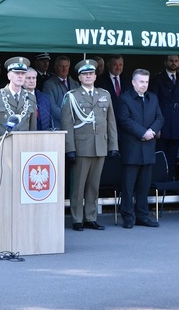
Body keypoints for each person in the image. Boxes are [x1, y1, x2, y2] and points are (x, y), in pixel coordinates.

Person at [61, 59, 119, 231]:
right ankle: (77, 219)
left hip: (99, 146)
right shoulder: (71, 96)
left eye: (91, 73)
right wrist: (69, 148)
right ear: (79, 77)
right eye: (84, 74)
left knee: (94, 185)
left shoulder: (104, 94)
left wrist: (113, 145)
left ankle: (90, 217)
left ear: (95, 75)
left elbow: (111, 122)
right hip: (81, 147)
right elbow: (67, 123)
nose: (88, 76)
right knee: (78, 186)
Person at [118, 69, 164, 229]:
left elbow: (160, 117)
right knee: (128, 186)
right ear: (133, 82)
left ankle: (142, 215)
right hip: (132, 148)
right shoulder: (124, 98)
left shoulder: (153, 98)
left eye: (146, 82)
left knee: (144, 186)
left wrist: (151, 131)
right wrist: (143, 132)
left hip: (148, 147)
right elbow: (124, 120)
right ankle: (128, 217)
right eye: (141, 82)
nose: (144, 85)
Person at [0, 57, 37, 148]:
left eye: (23, 73)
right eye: (17, 73)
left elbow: (33, 128)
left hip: (24, 149)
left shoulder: (31, 98)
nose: (20, 76)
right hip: (2, 148)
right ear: (9, 75)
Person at [149, 55, 179, 180]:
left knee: (173, 156)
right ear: (165, 62)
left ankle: (171, 182)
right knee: (161, 156)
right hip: (163, 123)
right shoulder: (158, 79)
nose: (173, 63)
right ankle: (160, 183)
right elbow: (153, 104)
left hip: (178, 123)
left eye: (176, 61)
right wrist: (156, 126)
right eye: (171, 60)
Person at [42, 55, 79, 129]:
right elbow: (52, 106)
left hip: (75, 125)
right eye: (61, 66)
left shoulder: (75, 84)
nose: (64, 69)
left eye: (66, 66)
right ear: (55, 67)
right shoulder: (48, 84)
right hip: (58, 125)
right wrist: (67, 117)